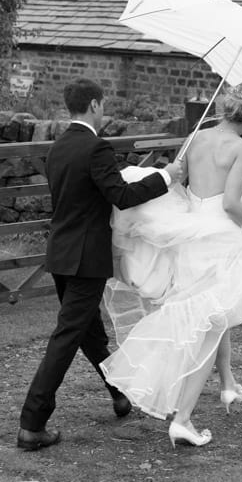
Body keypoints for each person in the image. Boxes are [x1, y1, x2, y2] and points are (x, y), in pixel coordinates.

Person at [100, 82, 242, 447]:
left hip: (190, 235)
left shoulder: (197, 135)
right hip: (220, 237)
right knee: (207, 322)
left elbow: (177, 179)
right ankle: (184, 419)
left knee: (210, 314)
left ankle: (227, 384)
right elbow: (232, 204)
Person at [17, 78, 186, 451]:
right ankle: (32, 423)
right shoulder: (96, 148)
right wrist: (165, 177)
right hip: (84, 259)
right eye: (104, 104)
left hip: (60, 254)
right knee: (66, 337)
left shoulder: (58, 146)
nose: (104, 109)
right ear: (94, 104)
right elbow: (121, 196)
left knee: (90, 334)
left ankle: (120, 392)